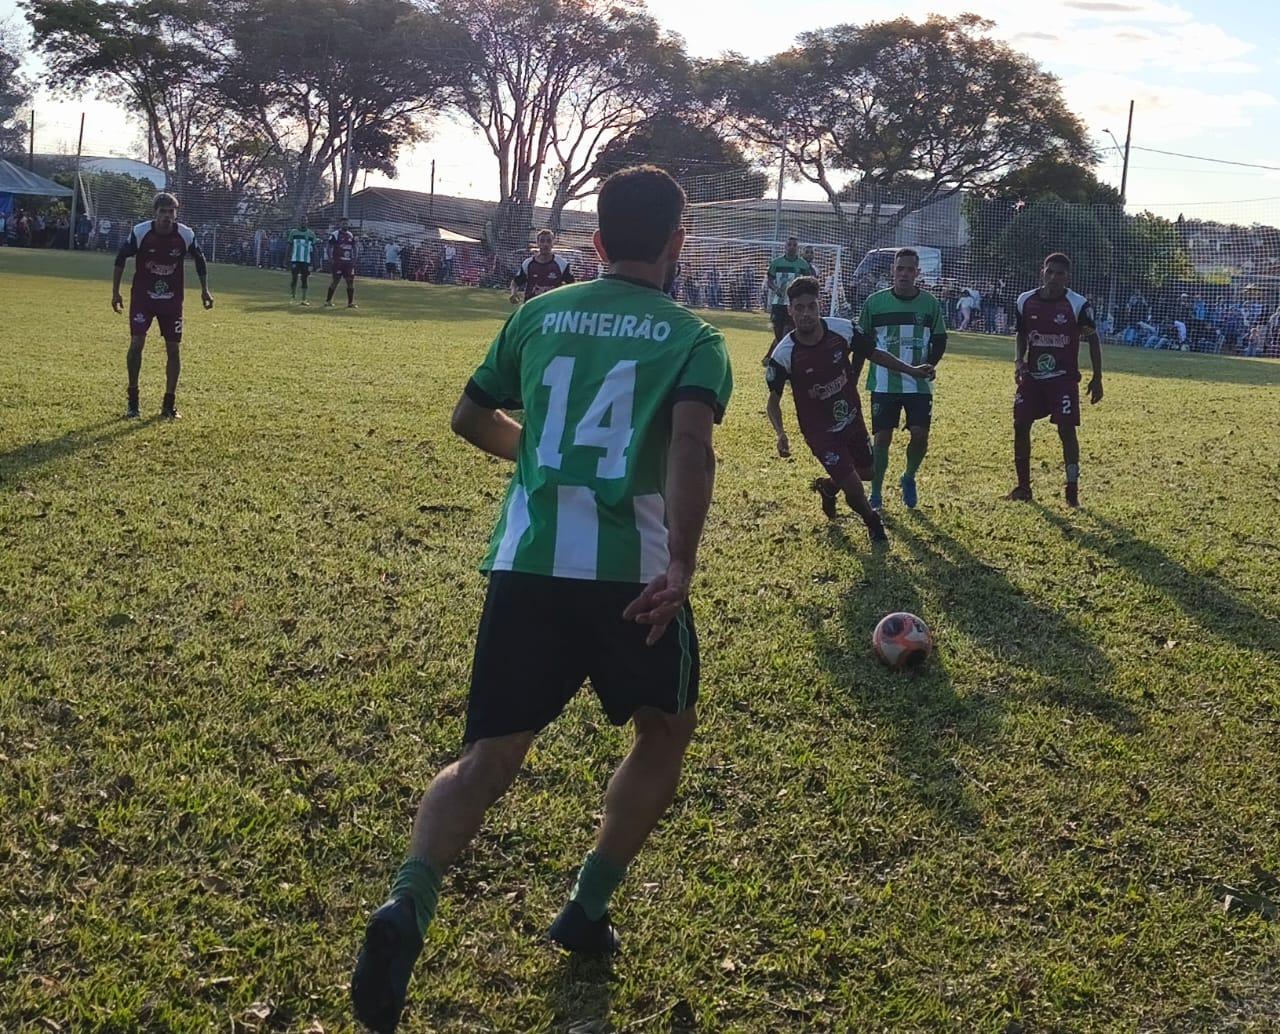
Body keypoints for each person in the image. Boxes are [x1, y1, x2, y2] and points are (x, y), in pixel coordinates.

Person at [349, 165, 733, 1033]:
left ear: (594, 241)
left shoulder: (537, 314)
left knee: (486, 758)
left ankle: (409, 900)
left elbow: (468, 418)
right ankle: (587, 906)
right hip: (631, 577)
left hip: (525, 565)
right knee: (665, 730)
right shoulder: (693, 337)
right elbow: (690, 448)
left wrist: (543, 462)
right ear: (679, 243)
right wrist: (682, 560)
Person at [765, 276, 934, 543]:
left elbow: (875, 353)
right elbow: (773, 400)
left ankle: (829, 488)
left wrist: (912, 370)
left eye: (811, 306)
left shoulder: (842, 330)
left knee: (868, 473)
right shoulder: (784, 353)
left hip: (852, 420)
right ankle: (873, 522)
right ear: (790, 310)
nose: (806, 313)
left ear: (820, 306)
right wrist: (780, 433)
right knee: (854, 487)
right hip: (820, 432)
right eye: (799, 308)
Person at [1007, 252, 1103, 508]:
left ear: (1067, 277)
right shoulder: (1025, 300)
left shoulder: (1078, 304)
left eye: (1059, 274)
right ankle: (1023, 486)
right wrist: (1019, 360)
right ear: (1042, 272)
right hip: (1033, 377)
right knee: (1020, 424)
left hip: (1063, 379)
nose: (1053, 278)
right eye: (1049, 272)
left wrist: (1097, 376)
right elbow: (1021, 333)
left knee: (1066, 431)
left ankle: (1072, 490)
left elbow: (1093, 338)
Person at [110, 192, 214, 420]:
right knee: (137, 343)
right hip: (142, 298)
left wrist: (205, 289)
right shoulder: (141, 232)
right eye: (163, 212)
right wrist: (115, 291)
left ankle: (168, 405)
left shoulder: (185, 234)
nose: (167, 216)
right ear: (154, 213)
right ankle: (133, 402)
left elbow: (200, 259)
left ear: (175, 214)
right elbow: (120, 258)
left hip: (172, 300)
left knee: (173, 349)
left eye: (171, 212)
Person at [860, 248, 948, 511]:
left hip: (919, 382)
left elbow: (940, 338)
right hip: (884, 382)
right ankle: (875, 495)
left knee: (920, 435)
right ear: (892, 270)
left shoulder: (930, 303)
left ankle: (908, 476)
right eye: (900, 268)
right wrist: (852, 375)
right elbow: (862, 342)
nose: (905, 274)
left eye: (910, 269)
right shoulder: (874, 303)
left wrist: (930, 363)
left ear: (917, 273)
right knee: (882, 438)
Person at [763, 235, 815, 362]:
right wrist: (775, 289)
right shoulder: (776, 262)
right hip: (778, 303)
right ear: (785, 246)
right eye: (789, 245)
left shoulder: (802, 265)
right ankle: (772, 357)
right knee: (779, 333)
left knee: (788, 331)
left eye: (794, 245)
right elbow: (769, 279)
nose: (792, 247)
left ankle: (782, 359)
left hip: (794, 305)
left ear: (798, 248)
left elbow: (808, 282)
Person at [509, 228, 576, 304]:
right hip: (531, 307)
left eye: (548, 241)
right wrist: (513, 293)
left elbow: (572, 285)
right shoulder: (528, 263)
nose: (545, 244)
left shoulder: (562, 264)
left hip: (552, 308)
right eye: (542, 241)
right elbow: (515, 282)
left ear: (553, 243)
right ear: (537, 243)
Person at [325, 218, 359, 308]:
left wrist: (355, 258)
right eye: (343, 223)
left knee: (350, 282)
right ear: (340, 224)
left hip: (348, 263)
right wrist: (330, 258)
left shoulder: (350, 235)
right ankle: (328, 301)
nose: (345, 225)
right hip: (338, 262)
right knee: (335, 281)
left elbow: (354, 247)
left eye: (346, 223)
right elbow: (329, 246)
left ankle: (350, 303)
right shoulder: (335, 234)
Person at [287, 217, 318, 305]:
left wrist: (316, 261)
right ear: (299, 222)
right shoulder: (293, 232)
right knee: (294, 279)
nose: (303, 222)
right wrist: (286, 259)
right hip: (295, 259)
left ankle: (304, 299)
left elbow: (315, 248)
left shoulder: (311, 234)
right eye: (302, 220)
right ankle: (292, 297)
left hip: (305, 260)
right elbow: (289, 246)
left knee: (304, 279)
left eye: (305, 220)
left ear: (307, 222)